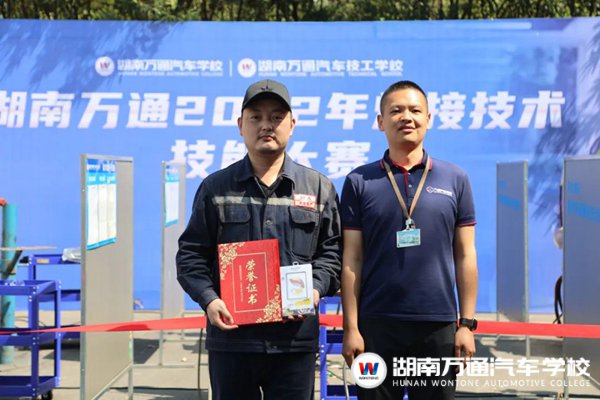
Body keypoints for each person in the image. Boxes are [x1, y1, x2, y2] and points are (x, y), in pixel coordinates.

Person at [176, 79, 342, 400]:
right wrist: (210, 300)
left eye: (277, 117)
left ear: (292, 125)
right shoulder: (216, 188)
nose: (266, 125)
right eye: (256, 117)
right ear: (241, 125)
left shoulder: (318, 188)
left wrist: (313, 289)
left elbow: (332, 253)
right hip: (232, 341)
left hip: (294, 341)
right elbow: (191, 255)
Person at [340, 80, 478, 399]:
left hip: (438, 325)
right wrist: (352, 327)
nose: (406, 117)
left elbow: (466, 254)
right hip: (376, 325)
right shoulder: (359, 181)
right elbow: (352, 258)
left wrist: (466, 324)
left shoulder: (455, 179)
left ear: (428, 119)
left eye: (415, 110)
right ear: (380, 121)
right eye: (396, 111)